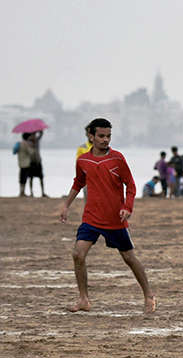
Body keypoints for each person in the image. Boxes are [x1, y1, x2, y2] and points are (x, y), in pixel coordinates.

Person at [58, 117, 156, 314]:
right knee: (78, 254)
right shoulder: (83, 160)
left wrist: (128, 207)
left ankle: (148, 295)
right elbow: (78, 183)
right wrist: (66, 205)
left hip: (115, 219)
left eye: (108, 136)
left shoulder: (117, 159)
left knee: (129, 257)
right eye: (101, 136)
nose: (105, 140)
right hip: (91, 218)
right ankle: (84, 299)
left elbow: (131, 185)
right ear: (91, 136)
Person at [27, 130, 47, 197]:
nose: (34, 136)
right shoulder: (29, 142)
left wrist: (39, 130)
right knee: (31, 178)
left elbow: (41, 134)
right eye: (33, 134)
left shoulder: (37, 140)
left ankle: (43, 192)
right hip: (32, 162)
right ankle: (31, 193)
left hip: (38, 162)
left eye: (34, 134)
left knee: (41, 178)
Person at [16, 132, 35, 197]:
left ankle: (21, 191)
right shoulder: (27, 144)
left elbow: (15, 152)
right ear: (28, 137)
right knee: (24, 178)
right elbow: (31, 153)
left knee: (21, 178)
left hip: (20, 163)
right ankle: (22, 192)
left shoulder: (19, 143)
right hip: (26, 163)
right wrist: (32, 146)